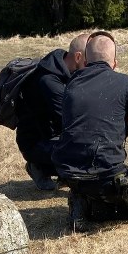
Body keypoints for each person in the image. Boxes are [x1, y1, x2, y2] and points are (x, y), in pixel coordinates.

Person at [51, 31, 128, 228]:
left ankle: (82, 197)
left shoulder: (71, 85)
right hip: (105, 175)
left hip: (68, 173)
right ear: (114, 62)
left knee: (92, 180)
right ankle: (92, 209)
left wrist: (124, 116)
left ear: (85, 59)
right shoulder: (127, 84)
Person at [15, 33, 90, 190]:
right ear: (78, 57)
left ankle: (62, 171)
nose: (93, 67)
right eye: (90, 61)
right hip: (36, 143)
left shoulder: (64, 69)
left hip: (53, 134)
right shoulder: (48, 81)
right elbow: (72, 119)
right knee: (86, 149)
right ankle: (39, 166)